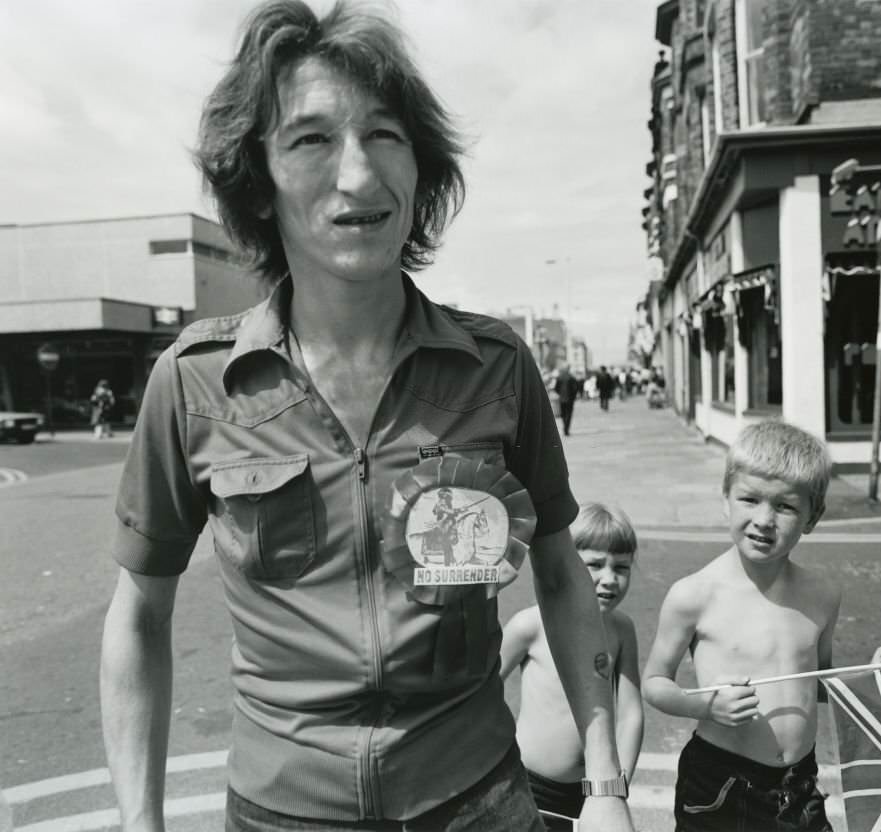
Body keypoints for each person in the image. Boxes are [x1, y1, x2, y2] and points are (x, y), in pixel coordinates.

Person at [98, 3, 633, 831]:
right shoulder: (194, 382)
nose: (358, 174)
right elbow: (138, 613)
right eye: (310, 139)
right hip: (281, 811)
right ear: (259, 180)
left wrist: (604, 788)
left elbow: (562, 576)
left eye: (384, 134)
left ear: (421, 169)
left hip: (479, 800)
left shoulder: (497, 369)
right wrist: (141, 822)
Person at [642, 420, 881, 832]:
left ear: (813, 516)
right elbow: (654, 683)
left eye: (785, 506)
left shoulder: (822, 594)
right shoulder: (694, 594)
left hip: (799, 785)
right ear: (726, 500)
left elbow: (815, 682)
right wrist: (706, 707)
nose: (764, 519)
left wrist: (872, 674)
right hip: (721, 783)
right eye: (750, 499)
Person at [501, 503, 644, 831]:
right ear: (571, 566)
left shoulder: (622, 630)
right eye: (595, 565)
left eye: (621, 568)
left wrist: (616, 790)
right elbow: (485, 687)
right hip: (529, 784)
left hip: (590, 789)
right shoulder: (531, 625)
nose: (610, 579)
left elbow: (631, 713)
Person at [553, 363, 581, 437]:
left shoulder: (559, 377)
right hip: (570, 399)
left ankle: (565, 427)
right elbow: (576, 388)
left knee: (563, 414)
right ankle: (566, 429)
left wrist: (560, 394)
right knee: (568, 414)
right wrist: (573, 396)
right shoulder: (571, 377)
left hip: (562, 399)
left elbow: (556, 388)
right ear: (569, 369)